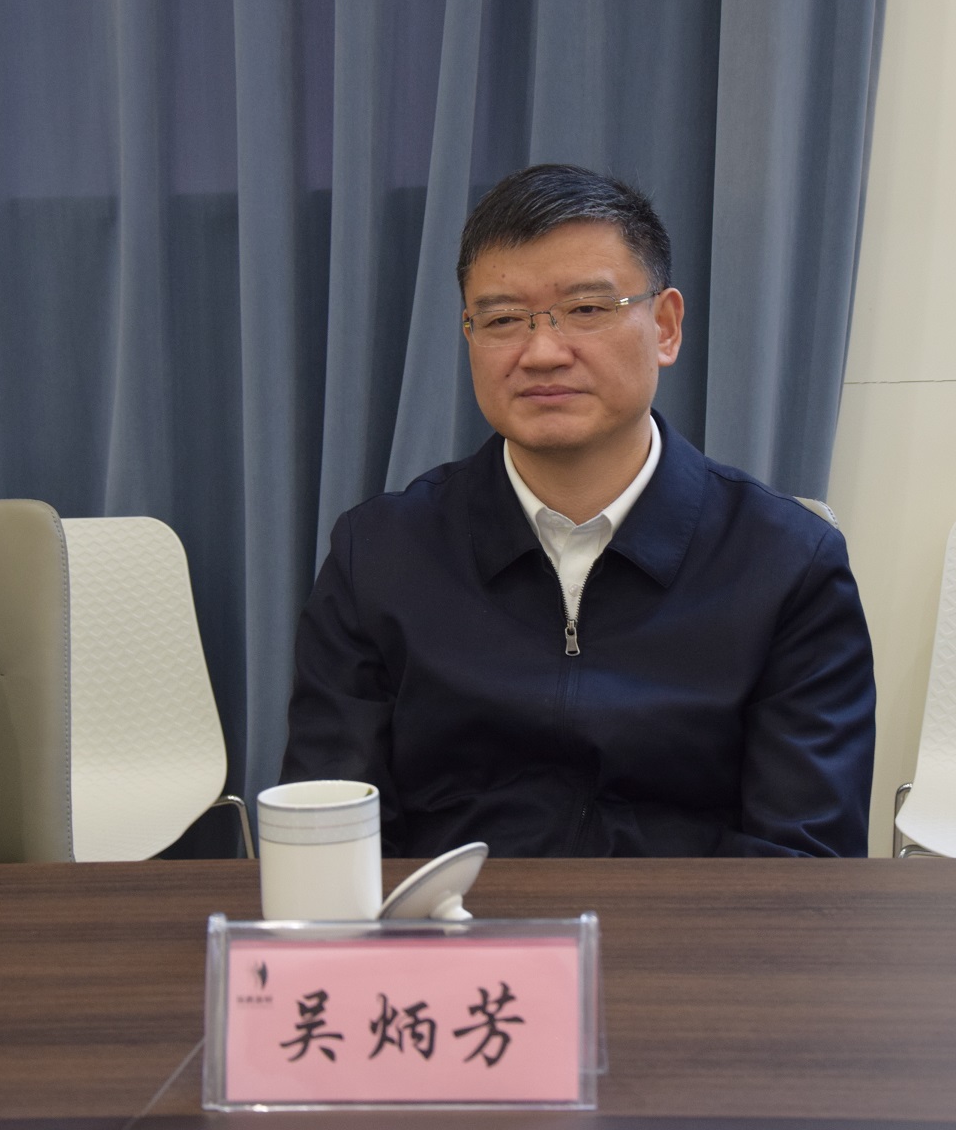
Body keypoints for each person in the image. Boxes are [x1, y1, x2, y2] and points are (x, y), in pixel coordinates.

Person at [283, 164, 875, 857]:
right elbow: (332, 833)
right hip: (451, 923)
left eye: (588, 310)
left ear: (666, 326)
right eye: (503, 319)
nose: (541, 352)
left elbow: (804, 858)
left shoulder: (786, 562)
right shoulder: (380, 554)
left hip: (688, 925)